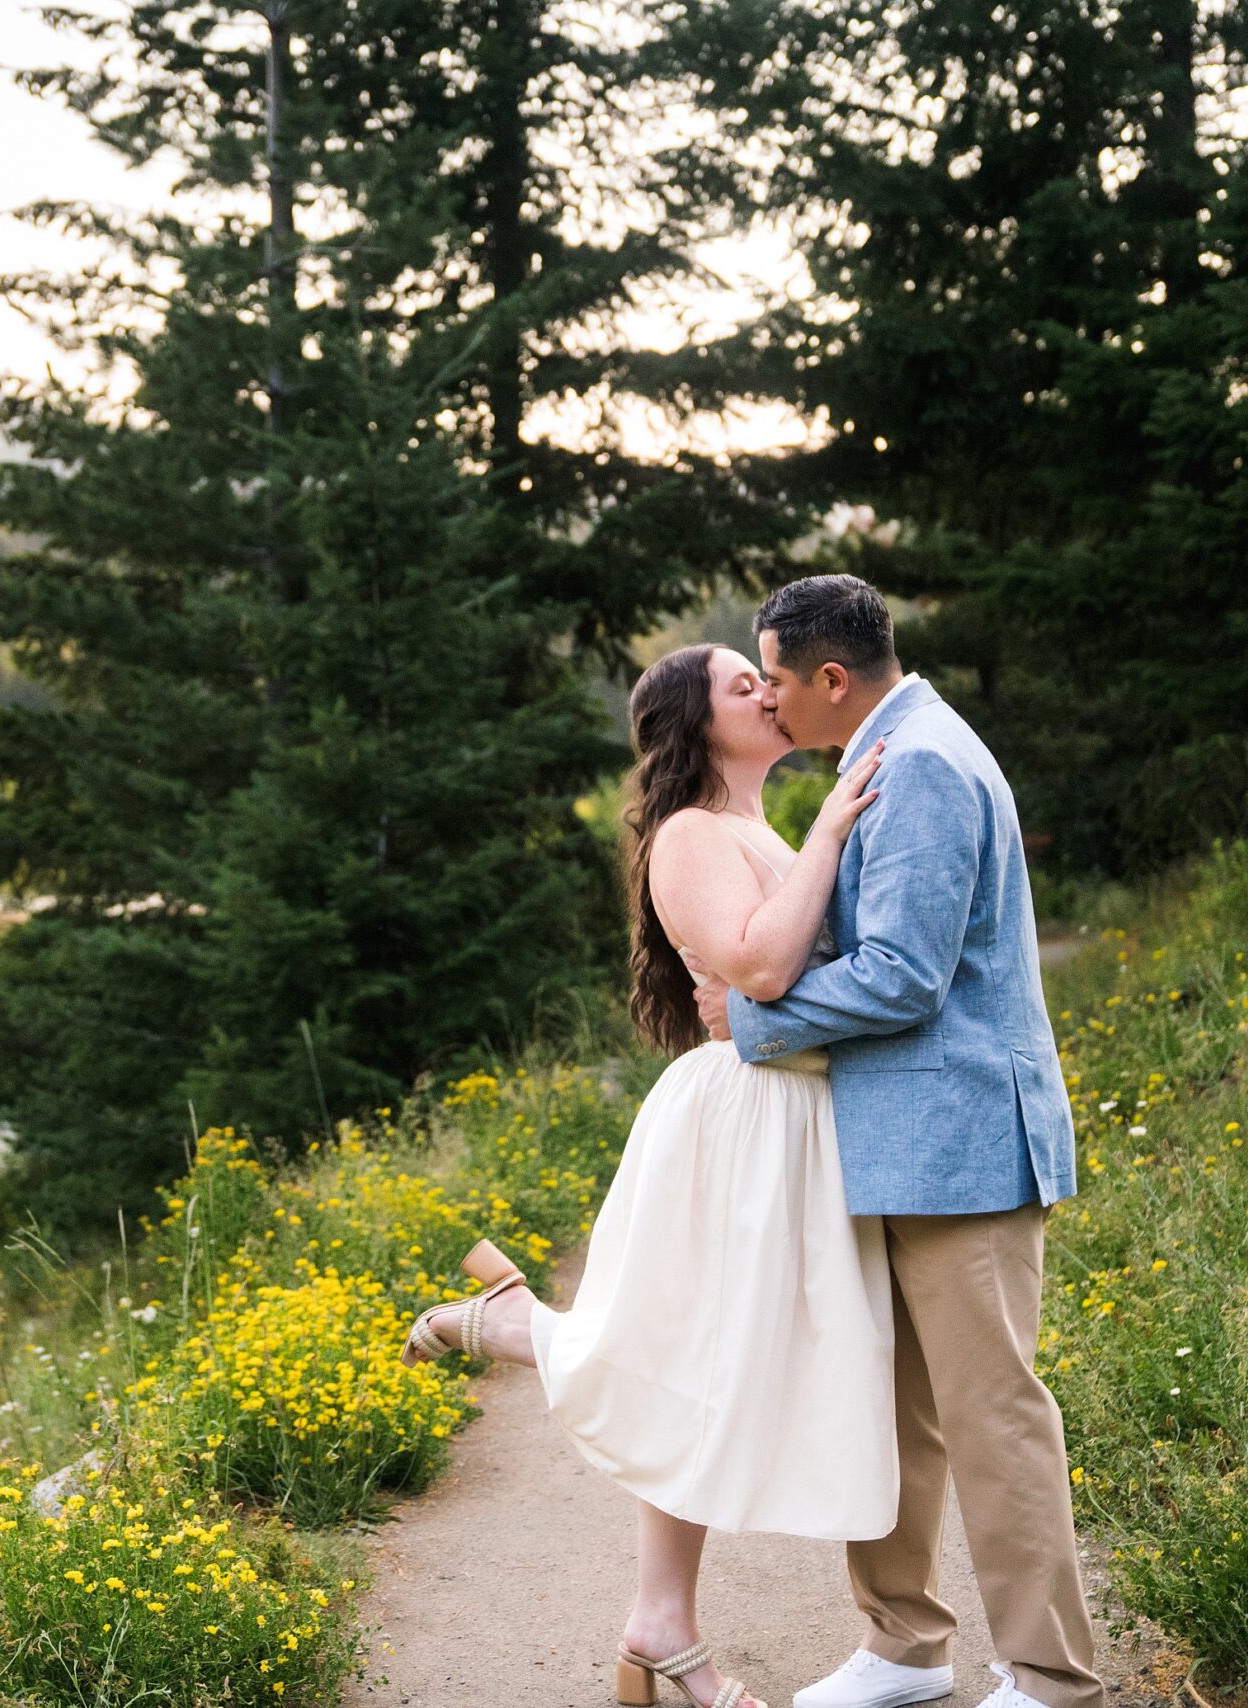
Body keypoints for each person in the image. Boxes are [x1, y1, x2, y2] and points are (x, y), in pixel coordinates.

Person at [397, 638, 897, 1708]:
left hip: (799, 1121)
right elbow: (759, 965)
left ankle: (657, 1623)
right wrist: (830, 835)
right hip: (738, 1124)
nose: (766, 693)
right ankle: (505, 1327)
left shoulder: (755, 826)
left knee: (713, 1372)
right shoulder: (689, 835)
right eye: (738, 683)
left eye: (765, 680)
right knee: (691, 1367)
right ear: (691, 720)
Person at [693, 574, 1099, 1708]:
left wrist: (754, 1022)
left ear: (830, 677)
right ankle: (903, 1647)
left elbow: (905, 976)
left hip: (962, 1144)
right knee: (886, 1417)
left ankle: (1053, 1679)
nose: (767, 701)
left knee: (991, 1417)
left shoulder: (919, 760)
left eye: (773, 678)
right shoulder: (885, 748)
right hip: (897, 1145)